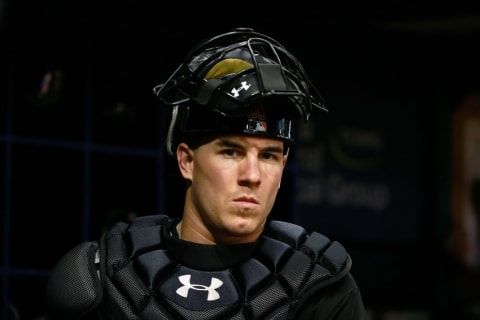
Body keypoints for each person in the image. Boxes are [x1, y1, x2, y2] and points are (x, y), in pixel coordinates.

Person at [44, 27, 367, 320]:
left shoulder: (320, 285)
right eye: (231, 151)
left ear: (282, 168)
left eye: (268, 155)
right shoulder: (102, 276)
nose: (252, 175)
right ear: (186, 161)